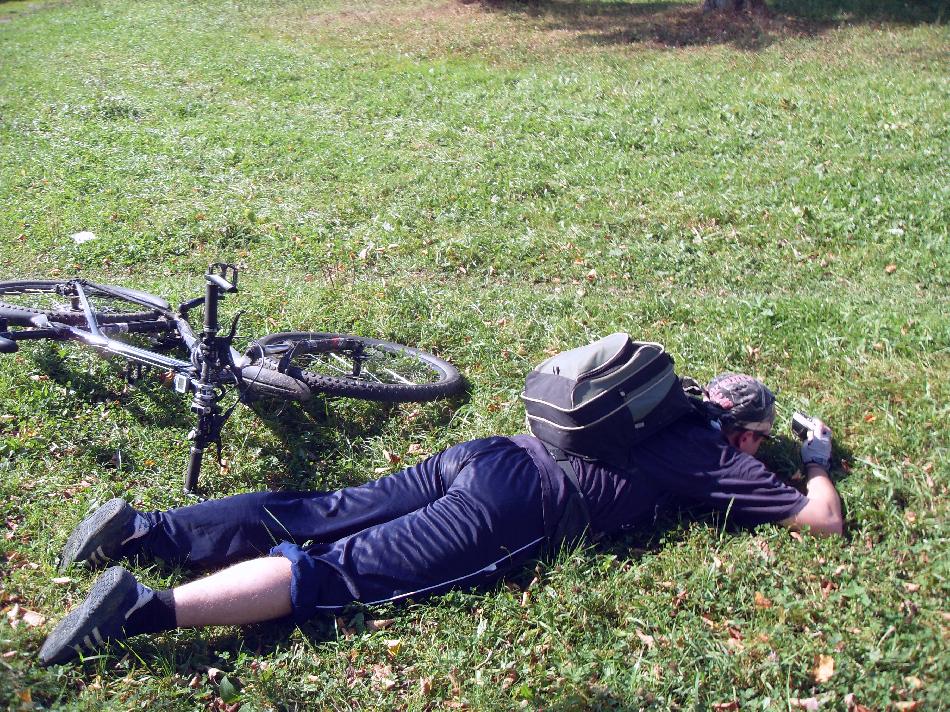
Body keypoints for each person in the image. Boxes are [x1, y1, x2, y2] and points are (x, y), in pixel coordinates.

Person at [38, 372, 841, 666]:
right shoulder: (711, 454)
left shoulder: (645, 401)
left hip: (487, 454)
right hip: (515, 507)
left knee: (319, 510)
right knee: (340, 572)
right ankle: (141, 611)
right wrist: (814, 461)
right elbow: (821, 523)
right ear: (745, 432)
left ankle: (145, 530)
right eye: (758, 442)